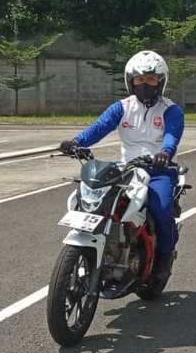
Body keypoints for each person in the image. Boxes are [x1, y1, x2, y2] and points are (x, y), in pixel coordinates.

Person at [59, 50, 184, 285]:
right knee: (92, 199)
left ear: (161, 82)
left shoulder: (171, 110)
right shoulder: (122, 107)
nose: (145, 85)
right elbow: (99, 127)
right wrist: (76, 143)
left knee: (162, 207)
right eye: (140, 80)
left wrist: (165, 153)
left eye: (151, 80)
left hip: (158, 170)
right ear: (131, 81)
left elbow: (171, 136)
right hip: (127, 168)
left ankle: (164, 257)